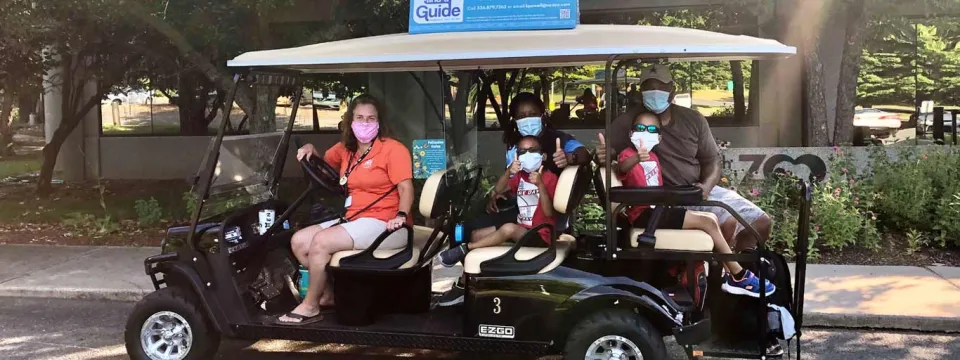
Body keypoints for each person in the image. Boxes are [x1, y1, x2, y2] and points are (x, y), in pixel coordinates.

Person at [596, 64, 773, 253]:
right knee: (726, 222)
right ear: (641, 92)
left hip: (696, 190)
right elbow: (608, 154)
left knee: (760, 222)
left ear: (672, 90)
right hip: (664, 198)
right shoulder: (629, 122)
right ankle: (723, 275)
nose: (654, 93)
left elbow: (712, 161)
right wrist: (603, 155)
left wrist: (706, 187)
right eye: (648, 88)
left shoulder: (693, 119)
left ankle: (737, 270)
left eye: (661, 87)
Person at [436, 93, 589, 306]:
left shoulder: (557, 140)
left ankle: (467, 280)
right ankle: (474, 282)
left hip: (545, 216)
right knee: (468, 229)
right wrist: (496, 193)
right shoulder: (514, 145)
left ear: (542, 115)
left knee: (504, 228)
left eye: (532, 114)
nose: (527, 118)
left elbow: (583, 154)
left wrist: (569, 158)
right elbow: (510, 184)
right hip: (522, 210)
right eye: (521, 115)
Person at [278, 94, 414, 325]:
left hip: (388, 223)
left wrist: (401, 215)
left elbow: (406, 188)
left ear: (380, 122)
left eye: (371, 119)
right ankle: (328, 294)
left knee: (321, 242)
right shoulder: (345, 149)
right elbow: (323, 165)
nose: (365, 123)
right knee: (300, 241)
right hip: (355, 219)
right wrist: (310, 148)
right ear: (350, 120)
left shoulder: (393, 149)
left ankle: (310, 306)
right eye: (360, 118)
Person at [618, 112, 774, 298]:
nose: (645, 133)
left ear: (659, 137)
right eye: (640, 129)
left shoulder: (654, 158)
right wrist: (637, 157)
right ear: (631, 134)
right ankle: (738, 275)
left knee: (712, 218)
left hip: (658, 210)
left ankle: (723, 272)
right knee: (707, 222)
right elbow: (622, 168)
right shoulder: (628, 155)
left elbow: (657, 186)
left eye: (651, 129)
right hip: (645, 215)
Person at [437, 136, 559, 266]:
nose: (527, 155)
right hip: (523, 229)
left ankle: (465, 248)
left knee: (508, 228)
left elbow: (549, 212)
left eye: (532, 150)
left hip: (541, 234)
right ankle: (475, 274)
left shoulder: (550, 178)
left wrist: (540, 185)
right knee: (476, 235)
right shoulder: (520, 176)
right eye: (522, 152)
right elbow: (498, 189)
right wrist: (509, 171)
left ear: (543, 156)